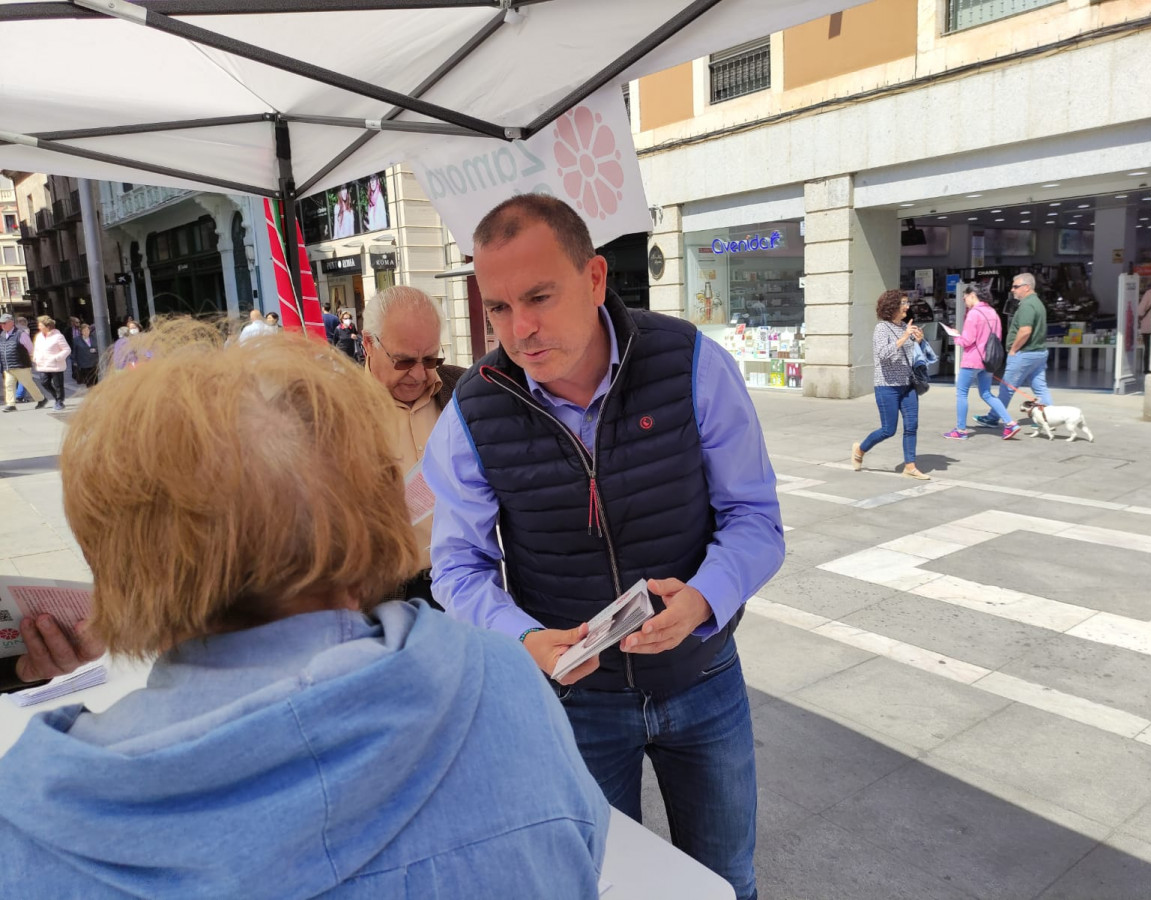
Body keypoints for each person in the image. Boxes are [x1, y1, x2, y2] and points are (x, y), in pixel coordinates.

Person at [0, 320, 608, 898]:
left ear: (116, 551)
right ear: (371, 510)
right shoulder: (504, 685)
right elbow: (583, 851)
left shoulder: (36, 824)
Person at [424, 194, 784, 900]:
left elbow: (755, 518)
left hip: (702, 677)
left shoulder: (689, 364)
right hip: (577, 699)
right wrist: (522, 637)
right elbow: (456, 565)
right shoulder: (474, 409)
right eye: (497, 307)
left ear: (594, 280)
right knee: (600, 883)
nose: (518, 329)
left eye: (538, 296)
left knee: (727, 881)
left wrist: (706, 596)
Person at [362, 286, 464, 605]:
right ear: (368, 344)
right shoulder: (336, 409)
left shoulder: (463, 389)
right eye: (404, 361)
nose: (419, 374)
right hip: (385, 596)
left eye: (430, 358)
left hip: (466, 584)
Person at [852, 290, 931, 479]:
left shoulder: (905, 325)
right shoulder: (882, 328)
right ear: (892, 306)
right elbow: (883, 354)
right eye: (903, 303)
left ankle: (910, 466)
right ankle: (860, 450)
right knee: (889, 429)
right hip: (887, 385)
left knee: (912, 425)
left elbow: (914, 356)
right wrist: (904, 338)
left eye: (907, 302)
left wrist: (919, 342)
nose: (907, 306)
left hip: (907, 384)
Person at [974, 272, 1053, 428]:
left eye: (1016, 287)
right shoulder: (1037, 303)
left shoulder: (1027, 305)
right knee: (1040, 387)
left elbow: (1025, 330)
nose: (1012, 290)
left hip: (1025, 353)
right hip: (1038, 352)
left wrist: (1013, 350)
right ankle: (1048, 418)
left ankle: (993, 417)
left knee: (1007, 387)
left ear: (1027, 287)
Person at [943, 286, 1019, 441]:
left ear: (972, 295)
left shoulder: (974, 314)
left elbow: (967, 340)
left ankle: (961, 430)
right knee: (987, 393)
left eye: (965, 297)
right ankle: (1010, 423)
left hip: (972, 360)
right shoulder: (993, 313)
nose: (964, 300)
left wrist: (956, 336)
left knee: (962, 393)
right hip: (988, 360)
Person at [0, 313, 47, 412]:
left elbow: (30, 349)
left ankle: (41, 399)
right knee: (8, 384)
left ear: (11, 323)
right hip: (8, 365)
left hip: (21, 365)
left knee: (28, 384)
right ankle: (11, 404)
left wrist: (33, 359)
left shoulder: (21, 334)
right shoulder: (2, 335)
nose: (2, 325)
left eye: (4, 323)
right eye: (1, 323)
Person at [32, 315, 71, 411]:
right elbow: (36, 349)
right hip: (43, 365)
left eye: (40, 325)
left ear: (47, 326)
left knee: (58, 385)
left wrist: (57, 358)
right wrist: (35, 358)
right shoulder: (39, 336)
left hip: (55, 365)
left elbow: (67, 349)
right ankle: (56, 397)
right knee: (44, 382)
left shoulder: (58, 336)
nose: (39, 327)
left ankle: (59, 401)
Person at [72, 322, 100, 387]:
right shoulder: (76, 340)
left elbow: (99, 347)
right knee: (88, 381)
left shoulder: (94, 338)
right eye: (84, 330)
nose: (86, 332)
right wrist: (74, 361)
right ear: (81, 331)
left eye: (88, 330)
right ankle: (91, 392)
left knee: (95, 380)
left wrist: (95, 350)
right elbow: (74, 351)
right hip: (84, 364)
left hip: (94, 362)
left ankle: (95, 391)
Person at [1138, 285, 1151, 374]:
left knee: (1148, 349)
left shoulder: (1149, 293)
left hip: (1148, 326)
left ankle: (1147, 370)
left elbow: (1140, 310)